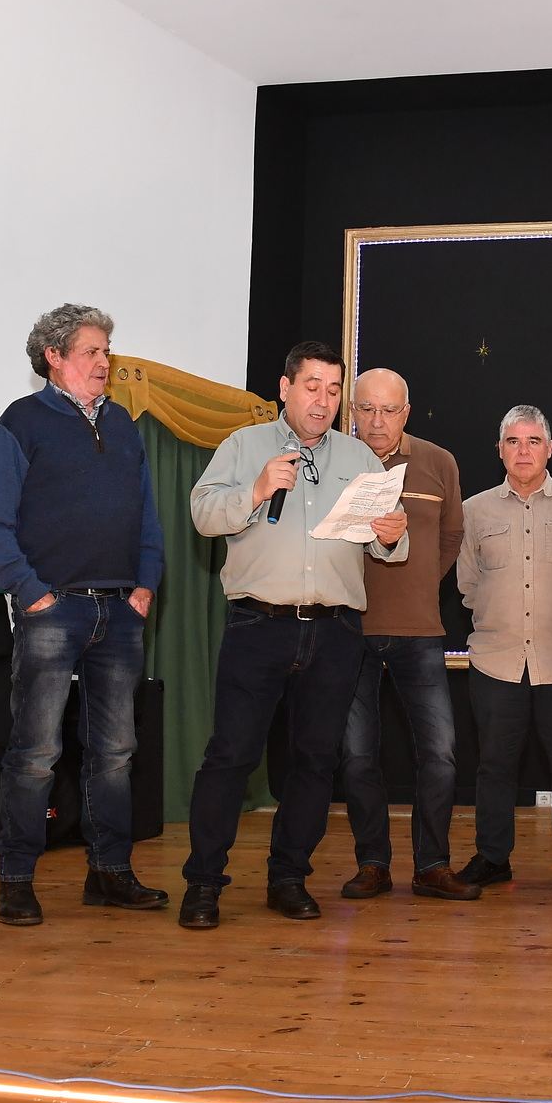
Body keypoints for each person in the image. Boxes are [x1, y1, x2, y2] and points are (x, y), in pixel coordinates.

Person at [179, 342, 409, 924]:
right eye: (312, 387)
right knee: (230, 756)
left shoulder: (359, 456)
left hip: (335, 632)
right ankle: (203, 883)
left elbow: (387, 545)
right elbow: (202, 515)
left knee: (314, 761)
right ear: (285, 388)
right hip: (258, 624)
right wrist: (256, 490)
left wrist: (391, 534)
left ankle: (287, 878)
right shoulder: (244, 445)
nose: (323, 401)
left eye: (333, 390)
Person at [0, 304, 168, 927]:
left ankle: (109, 872)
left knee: (116, 752)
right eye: (92, 350)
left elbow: (146, 517)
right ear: (53, 357)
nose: (104, 361)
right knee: (35, 751)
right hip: (52, 612)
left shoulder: (125, 425)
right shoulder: (22, 421)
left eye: (107, 350)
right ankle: (16, 879)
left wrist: (145, 586)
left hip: (121, 610)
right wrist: (31, 592)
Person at [337, 368, 475, 902]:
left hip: (419, 631)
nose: (377, 421)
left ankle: (432, 865)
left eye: (389, 410)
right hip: (349, 629)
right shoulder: (332, 461)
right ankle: (372, 863)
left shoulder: (439, 462)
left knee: (440, 754)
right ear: (353, 411)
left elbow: (452, 536)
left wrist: (417, 583)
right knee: (357, 757)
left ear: (406, 413)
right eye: (367, 409)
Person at [454, 405, 552, 890]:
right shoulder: (474, 510)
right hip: (496, 661)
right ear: (500, 450)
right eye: (513, 441)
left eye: (533, 441)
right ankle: (493, 857)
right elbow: (468, 584)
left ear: (550, 449)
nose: (523, 451)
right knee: (494, 766)